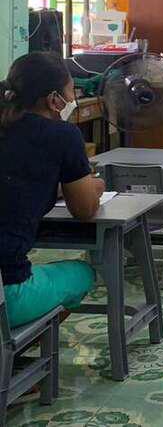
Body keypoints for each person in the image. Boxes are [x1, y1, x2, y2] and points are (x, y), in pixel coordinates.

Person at [0, 52, 101, 328]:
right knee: (83, 273)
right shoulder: (62, 135)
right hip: (9, 295)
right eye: (71, 92)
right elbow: (85, 209)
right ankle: (25, 344)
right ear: (54, 99)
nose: (73, 99)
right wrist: (95, 186)